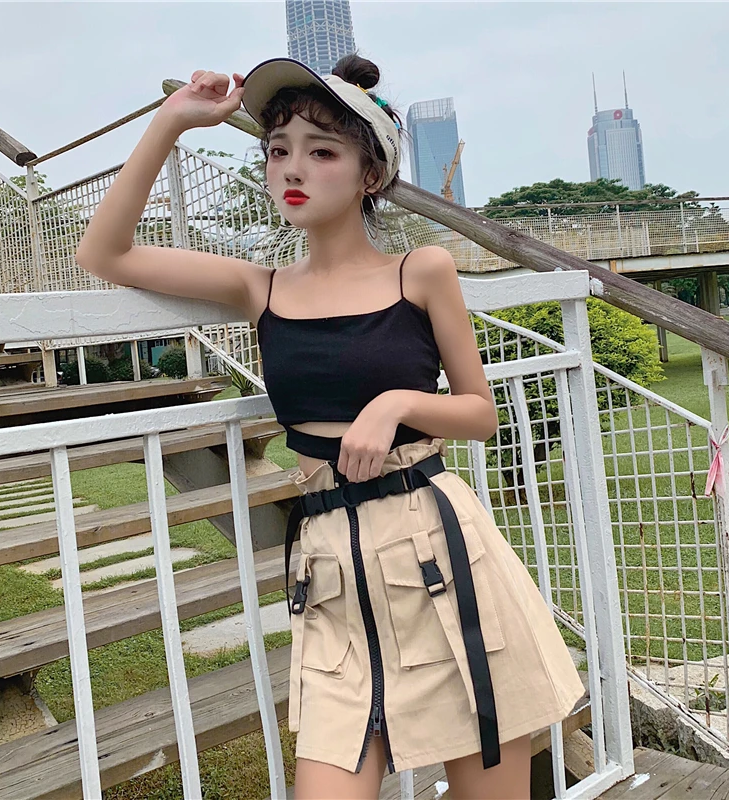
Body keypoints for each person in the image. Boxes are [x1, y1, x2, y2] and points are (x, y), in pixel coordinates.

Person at [76, 53, 586, 800]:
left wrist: (397, 404)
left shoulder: (422, 271)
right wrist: (172, 121)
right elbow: (104, 253)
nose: (293, 168)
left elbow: (479, 412)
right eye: (278, 150)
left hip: (439, 555)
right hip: (331, 577)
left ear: (369, 175)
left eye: (322, 152)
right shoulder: (260, 287)